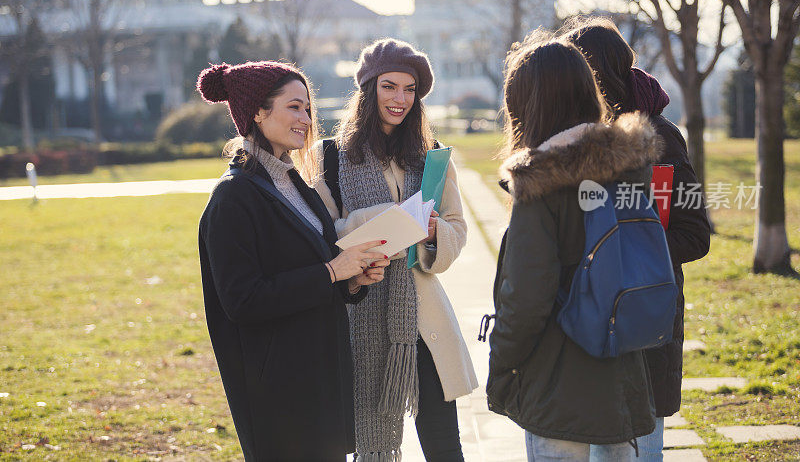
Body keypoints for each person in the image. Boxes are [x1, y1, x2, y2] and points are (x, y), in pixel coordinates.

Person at [197, 61, 389, 461]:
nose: (306, 119)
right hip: (279, 391)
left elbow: (311, 265)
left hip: (319, 376)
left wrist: (351, 279)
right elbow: (242, 301)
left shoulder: (295, 182)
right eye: (294, 107)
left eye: (307, 109)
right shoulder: (233, 197)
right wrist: (332, 271)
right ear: (256, 113)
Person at [486, 34, 659, 462]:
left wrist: (501, 365)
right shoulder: (631, 166)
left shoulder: (539, 182)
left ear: (526, 106)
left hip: (556, 380)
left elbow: (527, 298)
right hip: (623, 370)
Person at [313, 38, 478, 461]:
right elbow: (322, 235)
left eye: (410, 89)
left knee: (445, 445)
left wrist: (434, 233)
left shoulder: (432, 157)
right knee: (368, 442)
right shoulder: (330, 158)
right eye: (389, 86)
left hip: (422, 317)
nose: (400, 99)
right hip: (361, 310)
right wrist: (385, 217)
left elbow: (458, 226)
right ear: (369, 90)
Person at [564, 16, 711, 461]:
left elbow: (695, 233)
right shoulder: (570, 137)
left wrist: (626, 253)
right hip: (584, 320)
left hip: (644, 317)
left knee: (640, 450)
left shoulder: (659, 136)